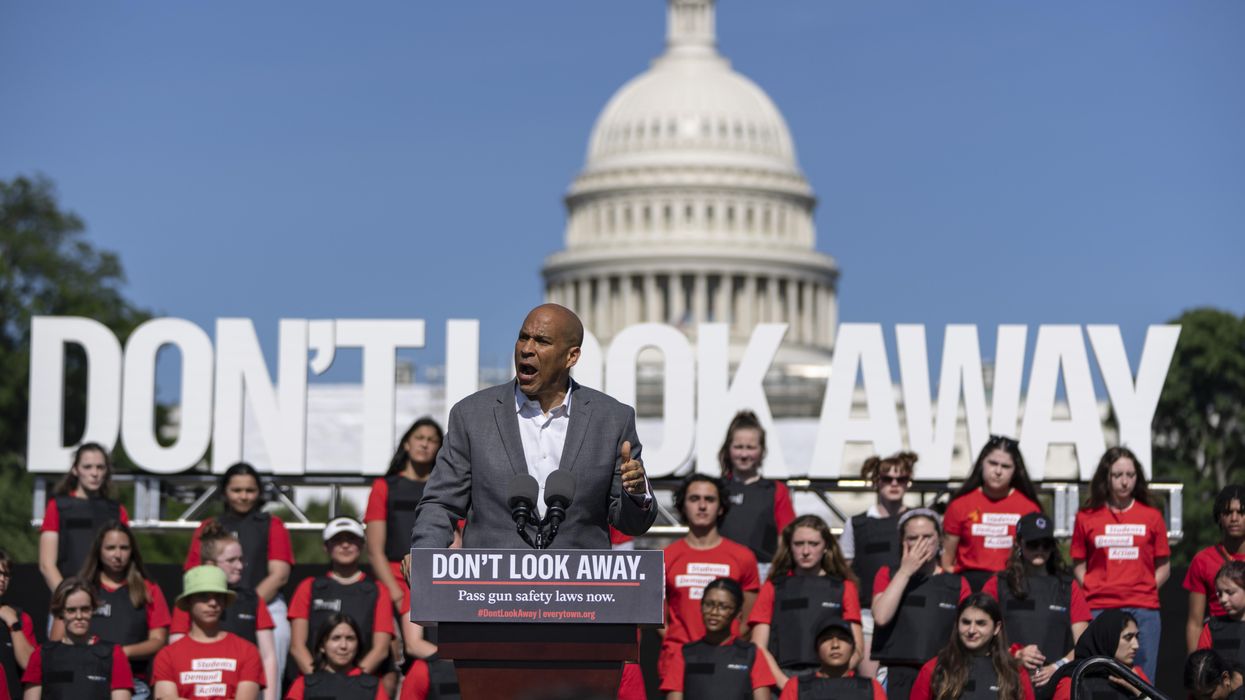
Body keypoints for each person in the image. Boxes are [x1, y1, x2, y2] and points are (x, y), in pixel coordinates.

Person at [409, 304, 655, 551]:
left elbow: (632, 525)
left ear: (572, 356)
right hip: (492, 584)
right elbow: (440, 503)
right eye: (523, 337)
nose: (527, 349)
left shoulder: (612, 419)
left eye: (542, 341)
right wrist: (424, 556)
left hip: (578, 585)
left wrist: (635, 493)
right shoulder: (472, 415)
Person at [184, 463, 294, 682]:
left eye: (250, 490)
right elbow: (193, 573)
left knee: (279, 634)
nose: (243, 496)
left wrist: (248, 605)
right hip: (214, 603)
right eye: (237, 490)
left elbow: (279, 574)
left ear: (259, 493)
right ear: (225, 492)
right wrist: (221, 603)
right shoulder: (208, 526)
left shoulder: (273, 524)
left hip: (266, 605)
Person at [1070, 446, 1168, 683]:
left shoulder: (1152, 515)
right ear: (1107, 477)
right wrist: (1095, 586)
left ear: (1137, 477)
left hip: (1143, 608)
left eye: (1130, 475)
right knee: (1095, 677)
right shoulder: (1087, 516)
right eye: (1117, 475)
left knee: (1142, 681)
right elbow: (1078, 563)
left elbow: (1164, 566)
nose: (1124, 482)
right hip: (1099, 606)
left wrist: (1144, 587)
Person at [660, 474, 761, 681]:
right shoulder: (666, 557)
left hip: (727, 661)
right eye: (694, 499)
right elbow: (659, 620)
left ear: (721, 507)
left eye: (710, 499)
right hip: (678, 662)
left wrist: (723, 648)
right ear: (683, 506)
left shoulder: (743, 557)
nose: (702, 506)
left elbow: (749, 618)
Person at [981, 512, 1091, 687]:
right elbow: (980, 633)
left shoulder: (1068, 586)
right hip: (1007, 679)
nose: (1040, 549)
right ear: (1018, 543)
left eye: (1046, 544)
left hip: (1055, 681)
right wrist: (1014, 655)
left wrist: (1057, 667)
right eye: (1033, 544)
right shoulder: (998, 583)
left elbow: (1083, 643)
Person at [871, 508, 972, 700]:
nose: (920, 543)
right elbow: (881, 616)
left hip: (941, 671)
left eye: (927, 537)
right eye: (912, 538)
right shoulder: (888, 574)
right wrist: (905, 572)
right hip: (896, 672)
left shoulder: (957, 583)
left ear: (939, 539)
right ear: (903, 542)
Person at [171, 522, 278, 700]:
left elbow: (268, 657)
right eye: (231, 560)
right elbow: (177, 654)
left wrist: (270, 698)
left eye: (241, 559)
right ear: (210, 564)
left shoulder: (253, 599)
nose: (240, 566)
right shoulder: (189, 601)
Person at [287, 518, 394, 695]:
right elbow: (297, 647)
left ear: (362, 545)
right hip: (316, 683)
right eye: (337, 540)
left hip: (361, 685)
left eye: (351, 539)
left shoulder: (377, 590)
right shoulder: (309, 587)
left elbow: (381, 649)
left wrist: (354, 681)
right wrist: (321, 681)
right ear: (326, 547)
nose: (345, 545)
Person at [748, 515, 862, 677]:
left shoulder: (844, 587)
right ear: (789, 546)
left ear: (826, 547)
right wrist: (786, 685)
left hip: (829, 679)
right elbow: (759, 647)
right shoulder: (772, 587)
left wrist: (829, 679)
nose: (806, 551)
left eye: (813, 544)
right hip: (782, 677)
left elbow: (857, 649)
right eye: (799, 544)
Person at [69, 521, 170, 700]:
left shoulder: (149, 589)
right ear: (99, 551)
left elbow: (158, 640)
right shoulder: (81, 588)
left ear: (132, 551)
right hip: (85, 679)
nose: (118, 555)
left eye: (124, 548)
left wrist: (122, 653)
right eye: (110, 548)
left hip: (134, 684)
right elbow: (58, 639)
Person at [842, 450, 916, 678]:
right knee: (871, 686)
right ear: (876, 482)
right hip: (868, 615)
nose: (894, 484)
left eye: (901, 479)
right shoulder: (857, 524)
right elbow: (844, 569)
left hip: (910, 611)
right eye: (887, 479)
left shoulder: (918, 521)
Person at [941, 436, 1042, 592]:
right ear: (982, 464)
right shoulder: (959, 505)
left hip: (1012, 586)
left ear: (1015, 470)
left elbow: (1037, 557)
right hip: (969, 587)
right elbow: (947, 561)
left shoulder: (1029, 508)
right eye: (993, 463)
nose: (998, 471)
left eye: (1006, 466)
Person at [365, 417, 444, 609]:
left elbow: (458, 539)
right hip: (393, 580)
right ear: (407, 444)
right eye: (419, 438)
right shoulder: (384, 487)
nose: (425, 444)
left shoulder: (446, 489)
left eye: (432, 440)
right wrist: (395, 592)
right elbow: (375, 550)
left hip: (437, 581)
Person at [152, 566, 265, 700]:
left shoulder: (247, 651)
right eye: (204, 596)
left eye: (219, 596)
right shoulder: (167, 656)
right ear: (189, 601)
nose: (213, 603)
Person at [660, 577, 776, 700]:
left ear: (738, 613)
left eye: (723, 607)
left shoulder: (752, 654)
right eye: (709, 604)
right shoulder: (684, 654)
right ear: (701, 606)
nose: (714, 612)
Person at [38, 443, 130, 593]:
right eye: (88, 467)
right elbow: (46, 564)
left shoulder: (117, 511)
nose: (95, 473)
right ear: (75, 470)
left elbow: (127, 561)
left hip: (108, 600)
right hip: (67, 601)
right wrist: (68, 599)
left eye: (100, 467)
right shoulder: (57, 506)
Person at [21, 577, 133, 700]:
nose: (79, 616)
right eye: (71, 610)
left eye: (85, 609)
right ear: (60, 612)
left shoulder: (113, 653)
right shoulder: (42, 654)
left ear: (93, 610)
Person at [715, 411, 796, 578]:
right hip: (721, 568)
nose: (744, 454)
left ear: (762, 451)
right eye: (738, 447)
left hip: (763, 572)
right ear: (728, 449)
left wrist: (780, 575)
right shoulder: (716, 488)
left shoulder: (776, 490)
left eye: (750, 447)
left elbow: (787, 538)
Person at [910, 592, 1034, 700]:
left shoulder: (1014, 672)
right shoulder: (935, 668)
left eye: (981, 623)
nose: (971, 630)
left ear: (996, 628)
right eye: (966, 622)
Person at [1186, 485, 1245, 653]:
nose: (1234, 518)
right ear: (1219, 517)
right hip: (1218, 642)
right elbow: (1195, 623)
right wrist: (1194, 666)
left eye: (1241, 512)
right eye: (1227, 513)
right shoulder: (1202, 560)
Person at [1041, 610, 1149, 700]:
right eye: (1128, 637)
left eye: (1137, 637)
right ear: (1108, 639)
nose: (1136, 645)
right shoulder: (1074, 680)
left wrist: (1138, 691)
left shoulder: (1136, 676)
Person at [776, 619, 885, 699]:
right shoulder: (796, 687)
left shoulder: (871, 688)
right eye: (827, 639)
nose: (835, 645)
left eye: (842, 638)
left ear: (853, 648)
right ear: (816, 648)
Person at [284, 615, 385, 700]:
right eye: (336, 638)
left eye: (350, 639)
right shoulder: (303, 685)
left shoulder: (373, 686)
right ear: (322, 646)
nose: (343, 646)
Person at [0, 550, 36, 700]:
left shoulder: (20, 618)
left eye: (6, 575)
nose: (2, 579)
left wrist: (13, 625)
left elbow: (31, 667)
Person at [1196, 561, 1245, 663]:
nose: (1223, 599)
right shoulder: (1212, 628)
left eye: (1229, 592)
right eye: (1219, 593)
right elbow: (1202, 666)